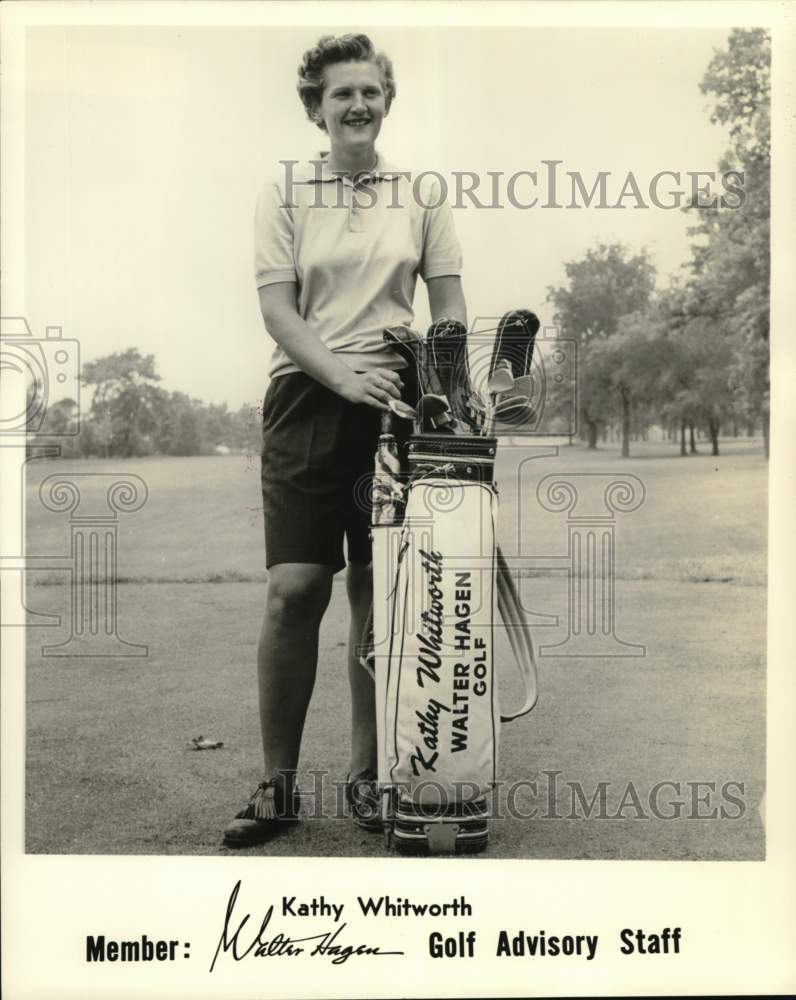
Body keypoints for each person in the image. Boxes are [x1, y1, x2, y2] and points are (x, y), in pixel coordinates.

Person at [224, 33, 467, 846]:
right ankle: (279, 784)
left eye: (369, 91)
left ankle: (371, 779)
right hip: (304, 396)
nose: (357, 105)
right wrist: (340, 377)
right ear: (316, 108)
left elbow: (450, 307)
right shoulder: (285, 192)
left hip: (398, 404)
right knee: (296, 588)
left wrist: (442, 389)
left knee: (378, 590)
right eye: (340, 95)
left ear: (386, 100)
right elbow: (279, 312)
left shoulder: (422, 193)